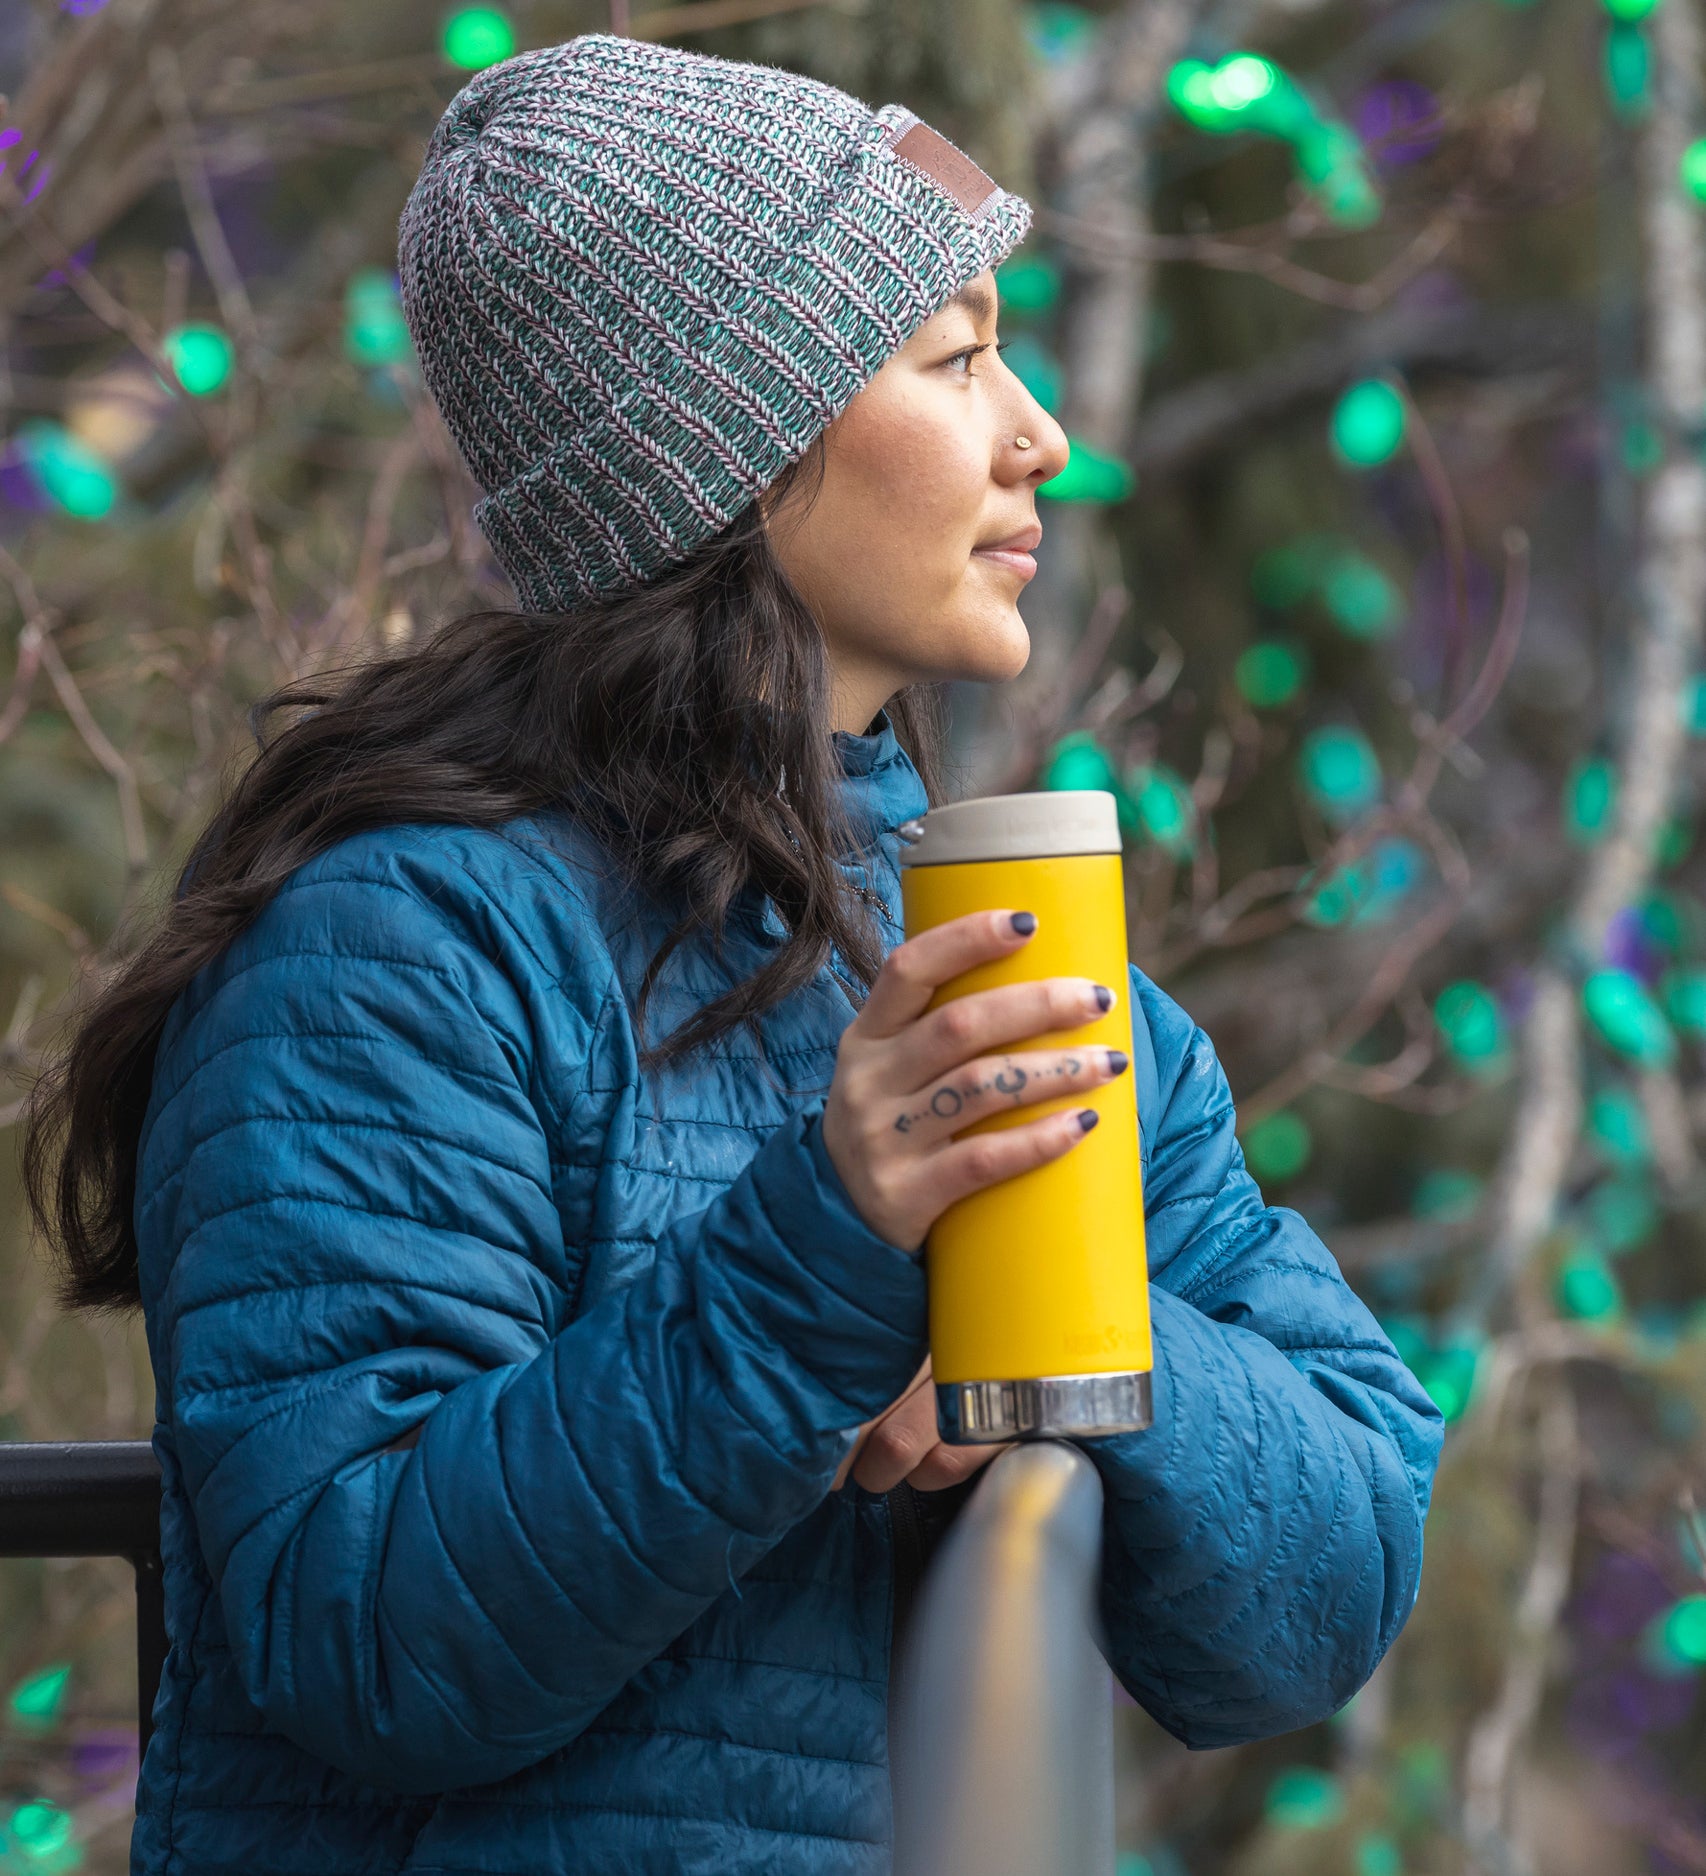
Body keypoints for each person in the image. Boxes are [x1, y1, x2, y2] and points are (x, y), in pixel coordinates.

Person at [24, 31, 1443, 1876]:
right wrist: (827, 1260)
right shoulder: (393, 951)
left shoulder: (966, 951)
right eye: (953, 360)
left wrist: (1068, 1343)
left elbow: (1324, 1600)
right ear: (733, 450)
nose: (1042, 437)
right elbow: (363, 1639)